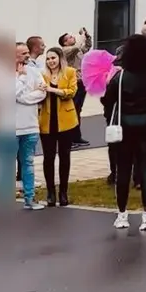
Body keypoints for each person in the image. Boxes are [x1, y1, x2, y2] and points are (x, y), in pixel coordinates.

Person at [104, 33, 146, 231]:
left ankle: (122, 214)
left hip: (124, 125)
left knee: (123, 169)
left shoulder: (120, 77)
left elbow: (108, 101)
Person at [39, 46, 81, 208]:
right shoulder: (42, 75)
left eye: (53, 58)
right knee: (48, 158)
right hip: (47, 122)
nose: (51, 61)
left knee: (65, 156)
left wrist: (53, 90)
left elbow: (71, 92)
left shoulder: (70, 72)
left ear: (60, 59)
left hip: (66, 121)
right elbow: (38, 93)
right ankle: (50, 192)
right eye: (48, 58)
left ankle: (63, 191)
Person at [13, 42, 47, 210]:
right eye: (22, 53)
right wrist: (21, 77)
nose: (27, 55)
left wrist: (24, 97)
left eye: (27, 52)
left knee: (28, 163)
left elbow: (42, 93)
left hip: (31, 126)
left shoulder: (35, 72)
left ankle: (30, 198)